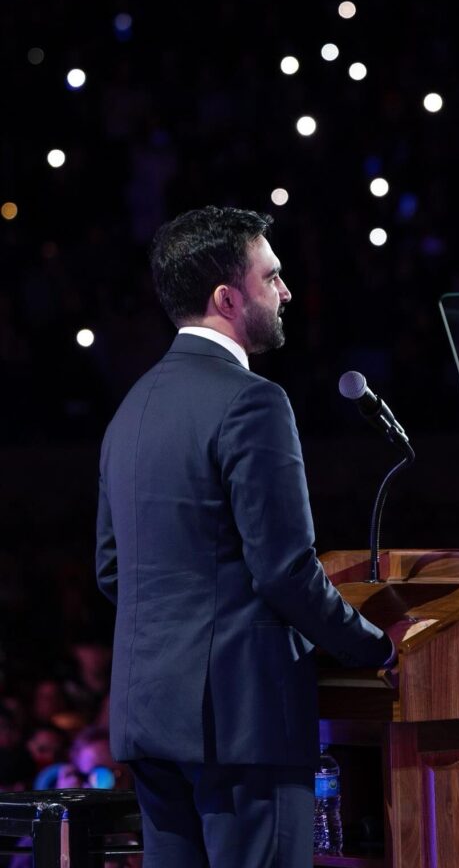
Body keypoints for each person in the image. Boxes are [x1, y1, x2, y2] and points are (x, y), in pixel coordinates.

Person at [96, 207, 395, 868]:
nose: (285, 292)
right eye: (273, 277)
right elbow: (284, 569)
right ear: (227, 298)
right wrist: (376, 648)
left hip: (149, 718)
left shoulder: (130, 410)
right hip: (242, 727)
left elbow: (112, 572)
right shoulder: (252, 401)